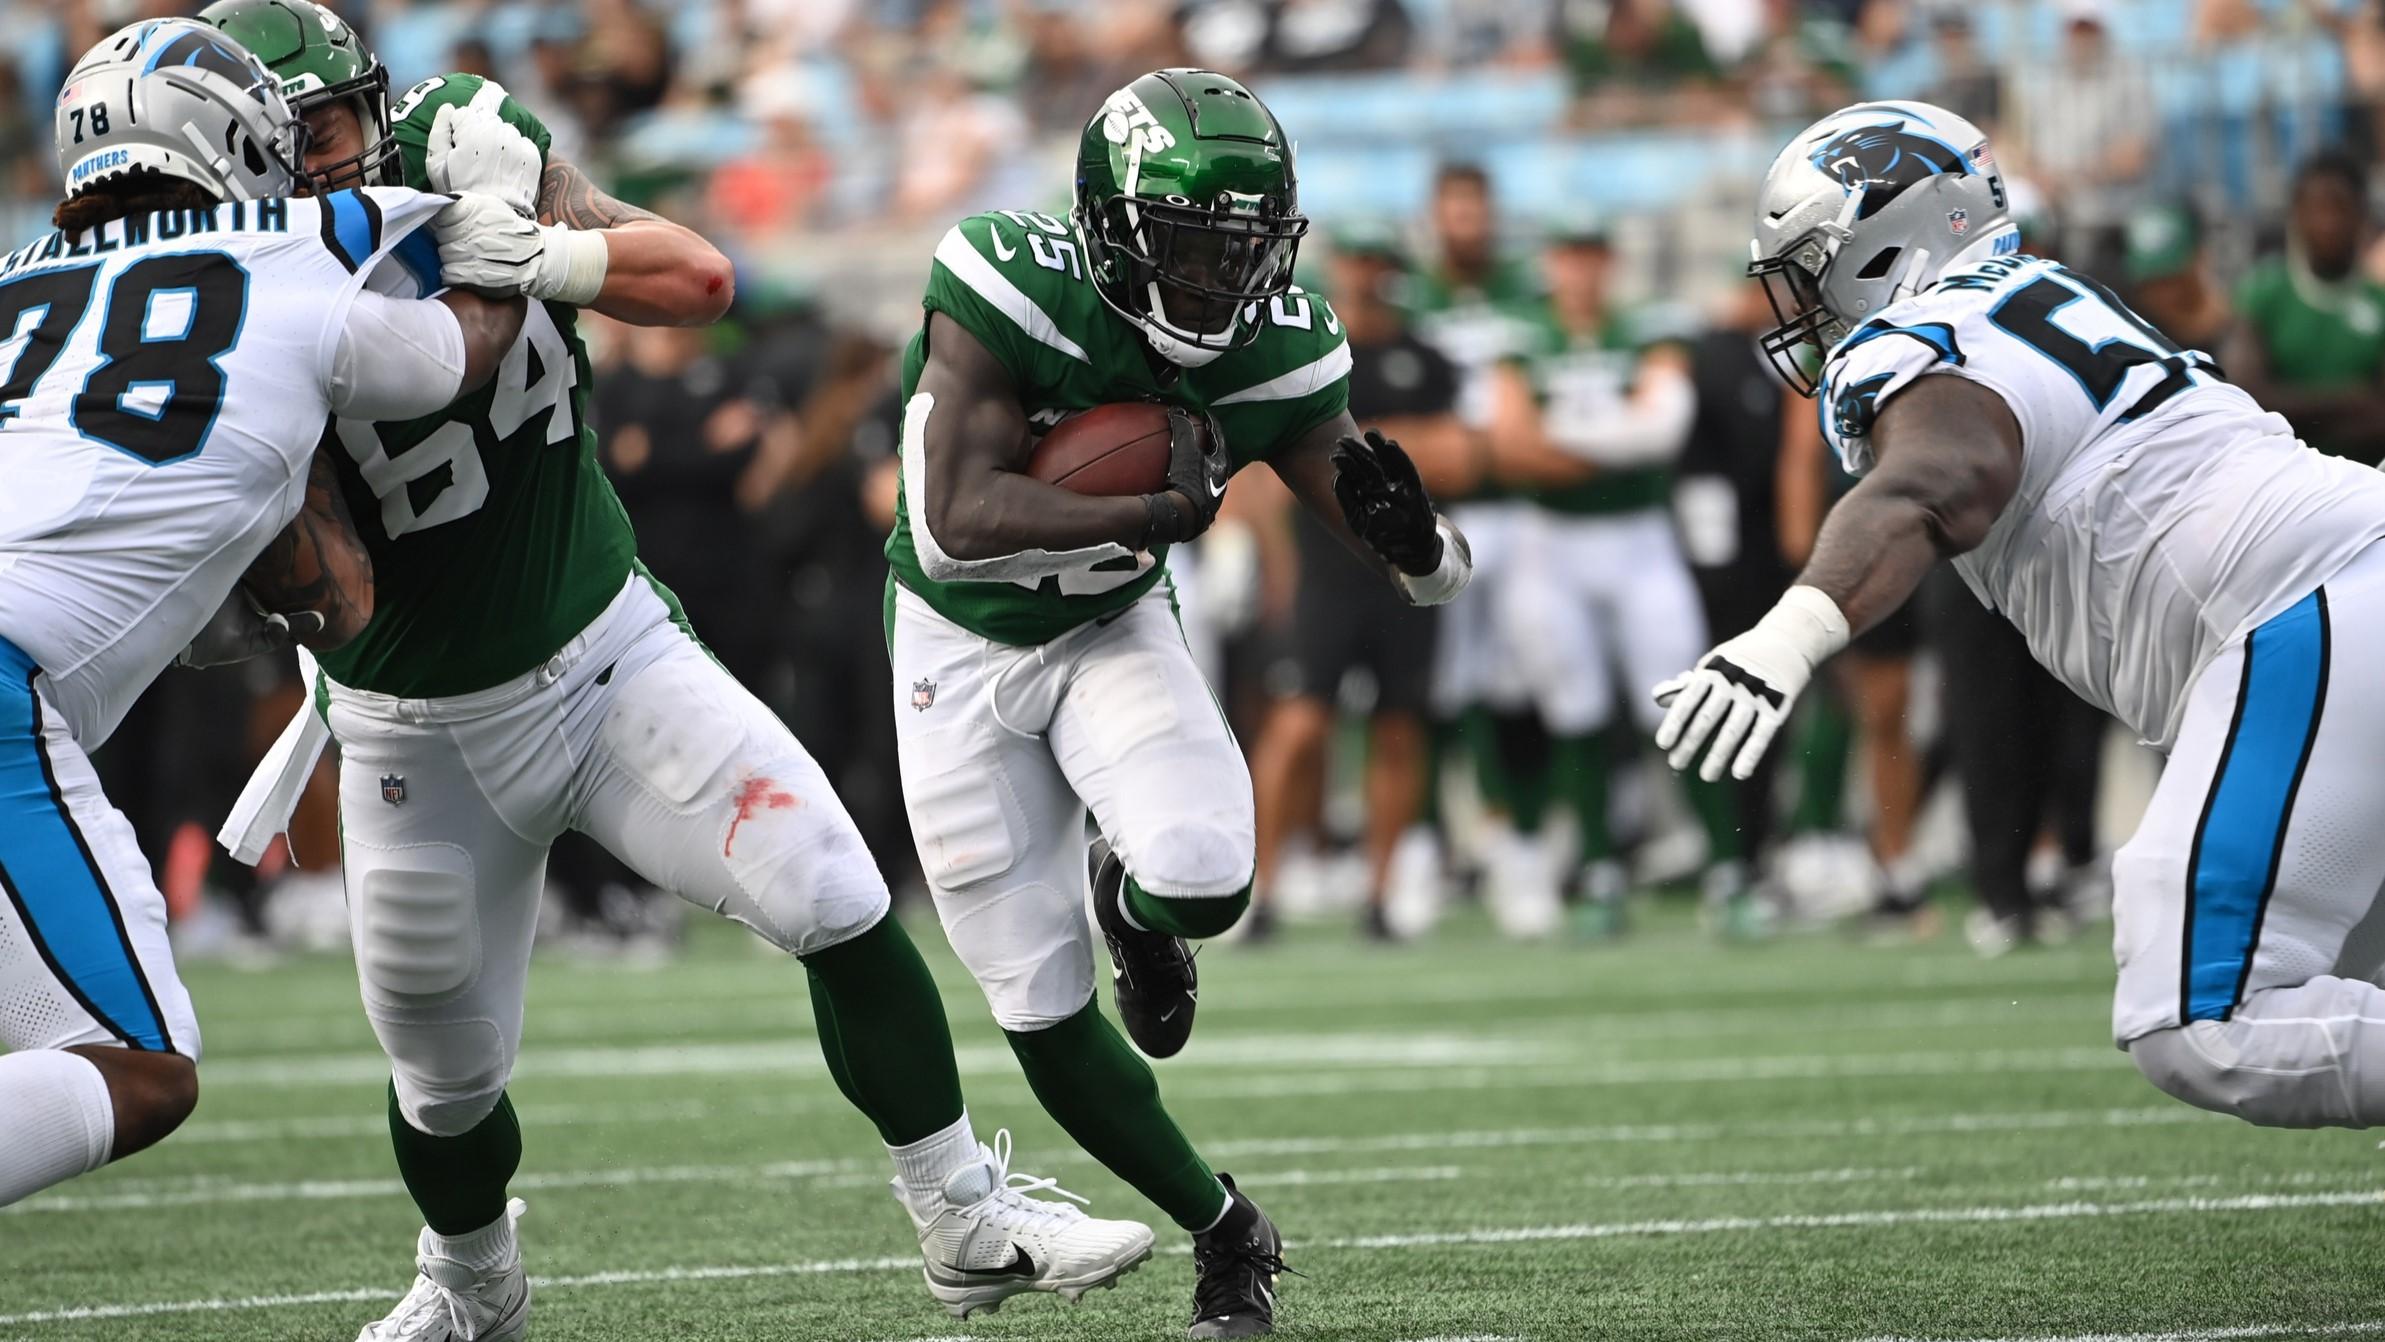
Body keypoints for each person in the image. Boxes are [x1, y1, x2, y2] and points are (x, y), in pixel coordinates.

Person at [200, 5, 1147, 1339]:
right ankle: (471, 1279)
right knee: (441, 1073)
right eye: (297, 142)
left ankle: (961, 1217)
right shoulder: (224, 299)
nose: (333, 160)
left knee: (833, 888)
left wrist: (540, 248)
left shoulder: (463, 141)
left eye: (340, 124)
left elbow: (696, 281)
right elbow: (330, 591)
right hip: (412, 725)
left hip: (604, 654)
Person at [1661, 99, 2385, 1133]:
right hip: (2346, 583)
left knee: (2203, 1014)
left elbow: (1937, 480)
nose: (1800, 307)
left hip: (2308, 609)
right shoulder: (2040, 293)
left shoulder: (1916, 337)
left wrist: (1789, 633)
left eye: (1812, 269)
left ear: (1885, 241)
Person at [887, 69, 1473, 1338]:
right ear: (1107, 226)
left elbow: (1418, 570)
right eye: (1190, 248)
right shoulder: (1008, 278)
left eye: (1244, 251)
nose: (1220, 283)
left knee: (1207, 872)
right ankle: (1227, 1231)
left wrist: (1424, 545)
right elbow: (955, 522)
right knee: (1037, 1008)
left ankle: (1138, 913)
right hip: (957, 639)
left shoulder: (1280, 342)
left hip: (1108, 625)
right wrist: (1163, 510)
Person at [0, 18, 522, 1207]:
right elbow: (455, 352)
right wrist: (501, 240)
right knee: (136, 1069)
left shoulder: (14, 276)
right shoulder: (294, 246)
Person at [1488, 211, 1758, 939]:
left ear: (1609, 262)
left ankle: (1728, 873)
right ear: (1551, 262)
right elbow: (1510, 447)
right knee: (1574, 710)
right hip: (1552, 542)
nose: (1580, 270)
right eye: (1569, 255)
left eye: (1591, 255)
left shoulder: (1646, 325)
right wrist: (1615, 434)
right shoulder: (1521, 333)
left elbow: (1662, 431)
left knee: (1680, 704)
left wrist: (1560, 438)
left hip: (1639, 539)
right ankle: (1601, 874)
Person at [1246, 220, 1468, 942]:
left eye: (1378, 260)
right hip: (1324, 565)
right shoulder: (1307, 352)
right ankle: (1259, 884)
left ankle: (1381, 890)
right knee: (1301, 722)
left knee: (1398, 727)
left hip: (1402, 566)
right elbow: (1282, 462)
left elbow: (1457, 457)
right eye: (1357, 259)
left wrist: (1373, 445)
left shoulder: (1424, 358)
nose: (1366, 273)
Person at [2227, 151, 2385, 465]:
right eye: (2314, 209)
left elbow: (2380, 416)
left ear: (2361, 214)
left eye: (2338, 208)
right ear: (2295, 214)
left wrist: (2297, 410)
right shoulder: (2263, 293)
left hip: (2367, 478)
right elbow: (2247, 398)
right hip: (2283, 477)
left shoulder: (2378, 301)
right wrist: (2348, 400)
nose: (2327, 224)